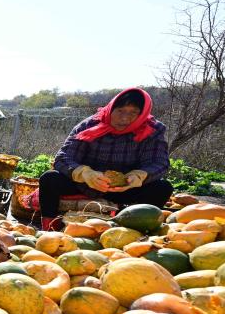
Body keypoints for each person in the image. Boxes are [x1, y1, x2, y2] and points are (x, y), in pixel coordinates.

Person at [39, 87, 173, 230]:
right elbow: (63, 157)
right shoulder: (89, 125)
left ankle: (134, 228)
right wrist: (85, 173)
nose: (125, 118)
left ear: (142, 114)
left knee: (162, 188)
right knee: (49, 178)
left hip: (126, 188)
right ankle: (50, 228)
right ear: (111, 108)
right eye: (120, 111)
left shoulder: (151, 130)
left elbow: (160, 163)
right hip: (86, 185)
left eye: (133, 112)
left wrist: (138, 176)